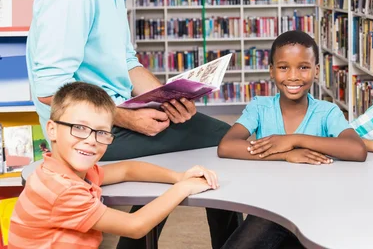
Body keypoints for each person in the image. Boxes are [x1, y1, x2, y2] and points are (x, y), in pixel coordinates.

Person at [25, 0, 239, 249]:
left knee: (187, 133)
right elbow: (49, 90)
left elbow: (127, 61)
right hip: (78, 133)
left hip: (112, 116)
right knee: (224, 141)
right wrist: (128, 118)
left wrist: (167, 99)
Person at [9, 82, 218, 249]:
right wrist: (183, 187)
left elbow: (127, 169)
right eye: (80, 128)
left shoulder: (68, 171)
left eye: (101, 132)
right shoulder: (61, 190)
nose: (91, 140)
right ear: (52, 130)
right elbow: (135, 226)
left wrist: (178, 176)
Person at [218, 30, 366, 248]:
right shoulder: (260, 107)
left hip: (318, 208)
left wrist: (294, 139)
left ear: (316, 71)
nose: (294, 76)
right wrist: (287, 155)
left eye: (303, 67)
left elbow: (357, 150)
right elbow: (227, 146)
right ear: (271, 71)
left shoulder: (327, 112)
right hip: (269, 206)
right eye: (284, 67)